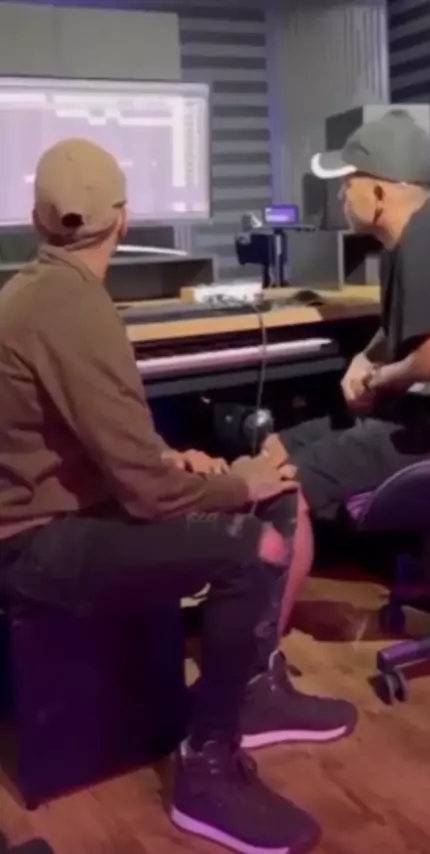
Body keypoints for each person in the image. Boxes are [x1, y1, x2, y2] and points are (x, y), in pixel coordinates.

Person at [0, 138, 357, 854]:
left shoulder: (37, 291)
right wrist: (234, 481)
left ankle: (252, 691)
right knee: (255, 542)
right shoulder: (72, 307)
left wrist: (174, 458)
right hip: (33, 545)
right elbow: (144, 494)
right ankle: (207, 770)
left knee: (269, 501)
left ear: (37, 221)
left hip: (69, 510)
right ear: (124, 220)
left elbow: (89, 437)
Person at [261, 110, 430, 523]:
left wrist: (382, 377)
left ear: (378, 193)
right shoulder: (416, 234)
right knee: (275, 449)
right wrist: (366, 357)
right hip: (413, 414)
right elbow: (411, 319)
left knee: (281, 485)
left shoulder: (428, 241)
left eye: (347, 184)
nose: (340, 197)